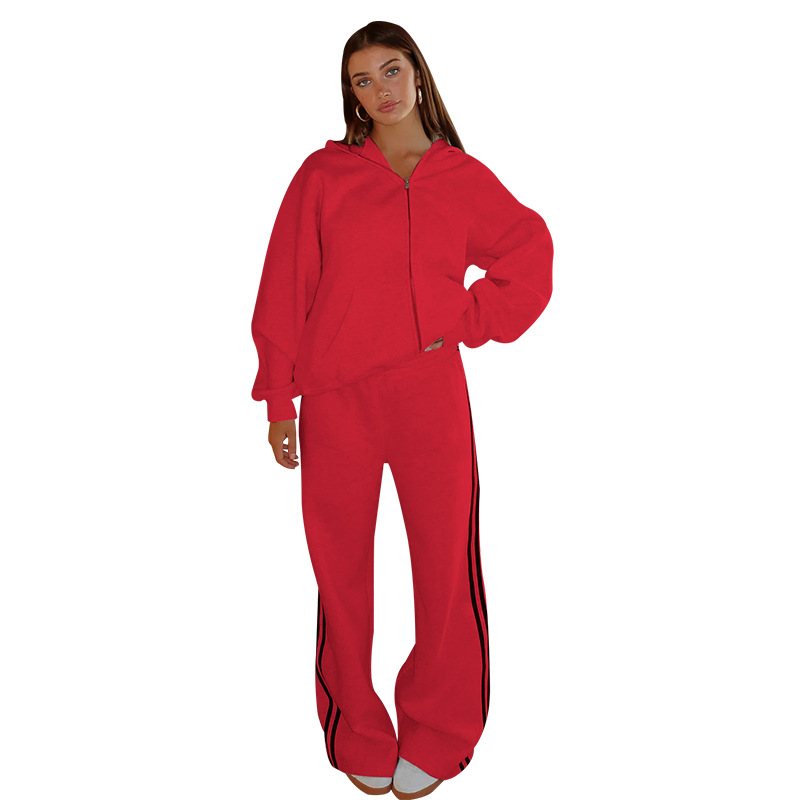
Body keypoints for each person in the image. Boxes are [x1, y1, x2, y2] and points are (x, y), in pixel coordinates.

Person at [250, 21, 554, 799]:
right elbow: (285, 285)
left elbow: (529, 252)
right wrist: (279, 396)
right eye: (363, 79)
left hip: (430, 395)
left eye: (392, 70)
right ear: (351, 95)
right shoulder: (323, 175)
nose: (381, 89)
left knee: (445, 570)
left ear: (418, 73)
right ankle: (358, 726)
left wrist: (467, 317)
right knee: (340, 574)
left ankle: (440, 726)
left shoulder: (460, 177)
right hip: (336, 402)